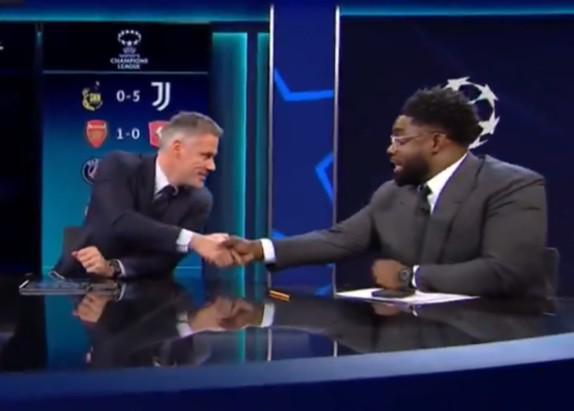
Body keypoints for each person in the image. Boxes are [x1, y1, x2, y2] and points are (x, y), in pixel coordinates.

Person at [223, 87, 550, 297]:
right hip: (414, 339)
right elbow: (339, 239)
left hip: (496, 343)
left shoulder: (511, 186)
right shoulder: (393, 194)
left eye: (400, 139)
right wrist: (258, 249)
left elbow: (506, 271)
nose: (390, 149)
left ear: (436, 142)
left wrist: (410, 277)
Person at [53, 111, 236, 279]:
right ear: (178, 148)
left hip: (148, 290)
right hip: (77, 281)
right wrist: (193, 240)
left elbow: (165, 261)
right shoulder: (118, 166)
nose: (212, 166)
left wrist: (113, 268)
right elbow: (120, 221)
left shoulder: (200, 201)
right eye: (205, 156)